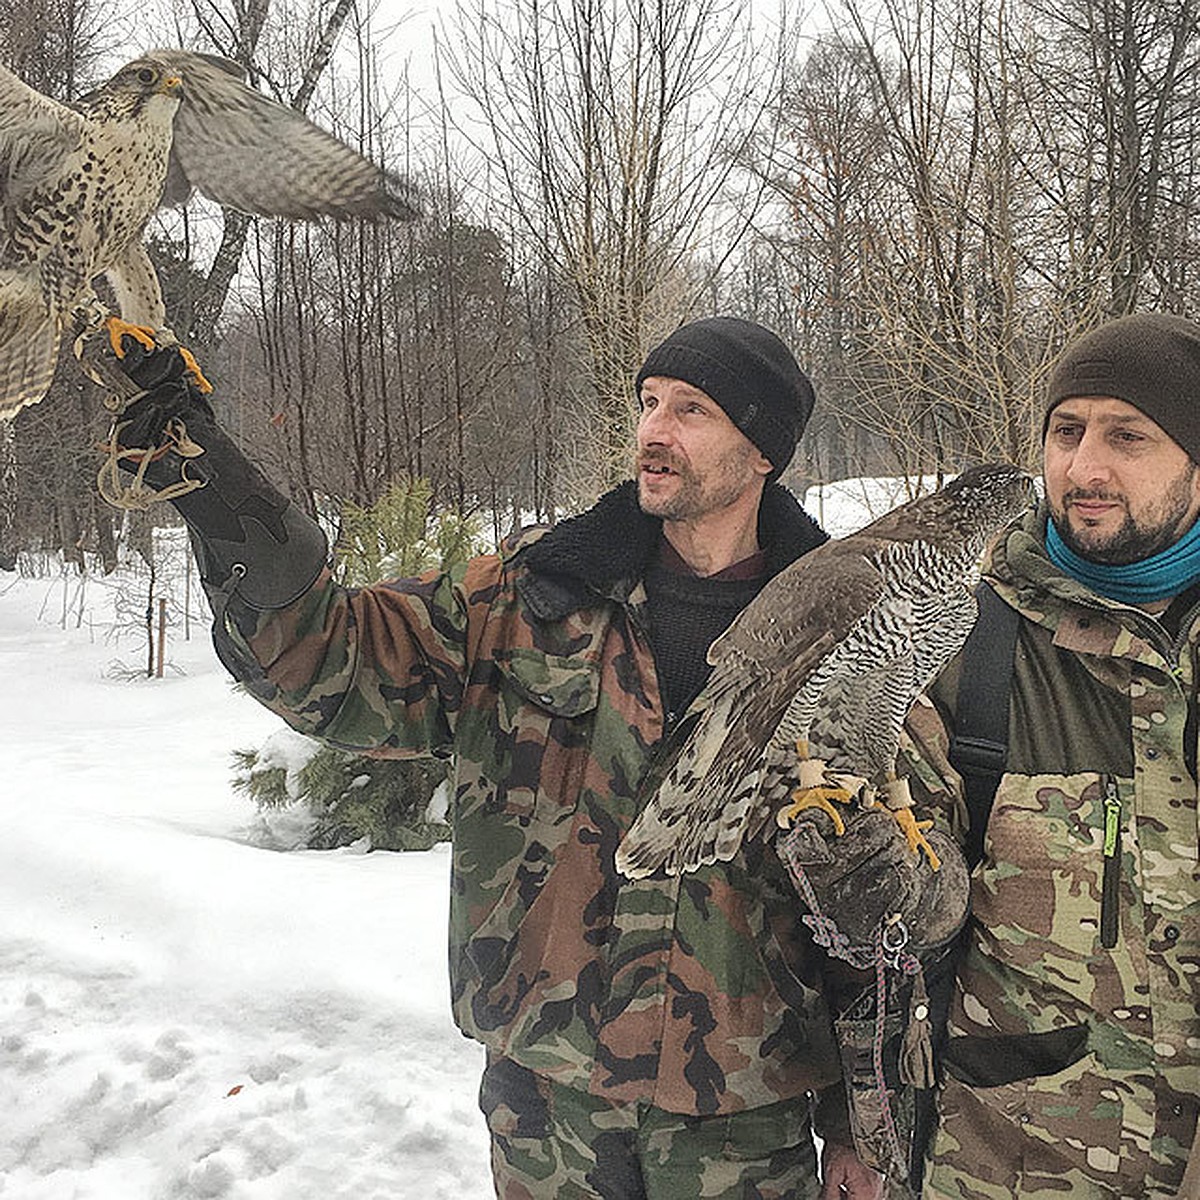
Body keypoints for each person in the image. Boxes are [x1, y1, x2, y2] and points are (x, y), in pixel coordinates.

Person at [105, 316, 884, 1199]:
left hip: (745, 1113)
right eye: (649, 403)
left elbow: (875, 916)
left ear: (763, 453)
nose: (654, 432)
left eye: (693, 410)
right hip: (548, 1102)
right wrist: (222, 495)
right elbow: (326, 659)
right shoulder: (532, 593)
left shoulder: (844, 637)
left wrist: (861, 1125)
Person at [901, 312, 1200, 1197]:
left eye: (1127, 436)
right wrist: (862, 870)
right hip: (1019, 1167)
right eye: (1065, 432)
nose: (1084, 467)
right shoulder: (963, 647)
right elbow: (908, 917)